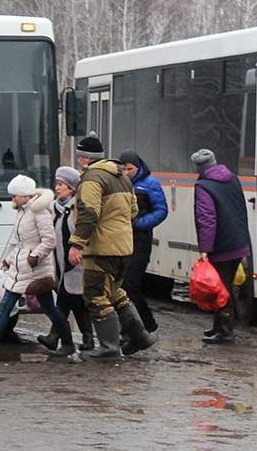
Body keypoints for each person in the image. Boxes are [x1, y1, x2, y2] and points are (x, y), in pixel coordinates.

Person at [0, 175, 75, 359]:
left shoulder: (39, 211)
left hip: (35, 268)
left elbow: (49, 240)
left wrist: (34, 256)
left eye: (15, 195)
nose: (12, 199)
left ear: (25, 195)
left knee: (42, 308)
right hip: (22, 267)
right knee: (14, 305)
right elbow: (20, 242)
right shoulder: (23, 211)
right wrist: (8, 259)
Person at [69, 132, 155, 360]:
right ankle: (140, 336)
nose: (79, 162)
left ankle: (108, 348)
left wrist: (77, 243)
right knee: (116, 293)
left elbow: (89, 212)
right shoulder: (123, 177)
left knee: (95, 295)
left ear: (86, 158)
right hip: (124, 246)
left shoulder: (92, 179)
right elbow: (134, 211)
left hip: (101, 248)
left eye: (80, 157)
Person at [191, 149, 251, 344]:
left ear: (199, 168)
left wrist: (205, 249)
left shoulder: (204, 186)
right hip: (238, 241)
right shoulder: (233, 178)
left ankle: (226, 332)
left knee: (221, 288)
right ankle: (218, 327)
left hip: (221, 245)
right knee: (223, 285)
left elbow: (207, 219)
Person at [37, 166, 96, 352]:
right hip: (60, 262)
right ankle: (87, 340)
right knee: (77, 303)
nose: (57, 187)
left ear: (71, 188)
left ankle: (57, 337)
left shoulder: (78, 208)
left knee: (65, 300)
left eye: (60, 184)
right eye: (56, 183)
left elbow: (84, 231)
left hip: (75, 263)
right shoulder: (55, 207)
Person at [118, 150, 168, 334]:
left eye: (129, 169)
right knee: (121, 284)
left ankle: (145, 322)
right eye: (123, 169)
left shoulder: (150, 184)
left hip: (140, 239)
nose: (126, 173)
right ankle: (131, 325)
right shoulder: (119, 184)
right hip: (121, 239)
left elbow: (161, 210)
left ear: (137, 168)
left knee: (130, 283)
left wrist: (140, 223)